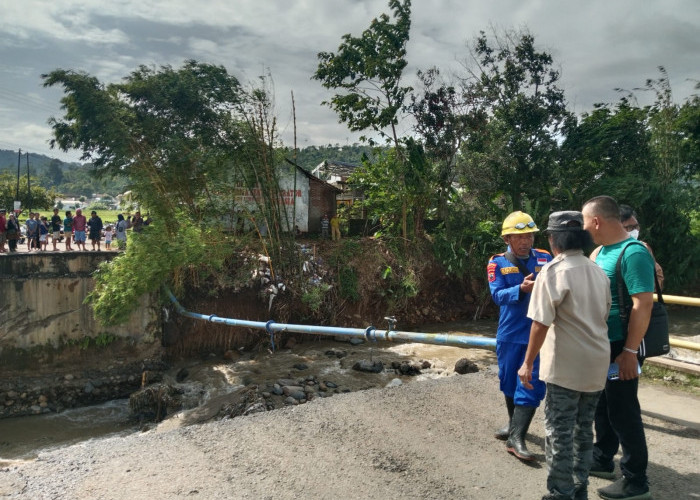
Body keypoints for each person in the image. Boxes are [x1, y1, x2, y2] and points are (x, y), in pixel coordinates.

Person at [518, 211, 611, 500]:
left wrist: (527, 363)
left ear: (552, 239)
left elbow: (540, 323)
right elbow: (604, 313)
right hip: (596, 363)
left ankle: (560, 492)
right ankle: (578, 488)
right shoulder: (597, 270)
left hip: (565, 367)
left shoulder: (553, 272)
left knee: (559, 432)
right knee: (584, 432)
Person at [582, 196, 654, 500]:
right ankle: (602, 458)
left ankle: (636, 480)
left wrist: (629, 351)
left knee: (624, 410)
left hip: (620, 346)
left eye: (585, 221)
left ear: (597, 221)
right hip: (600, 345)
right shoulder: (599, 252)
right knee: (602, 404)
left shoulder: (633, 252)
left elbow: (643, 304)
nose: (584, 227)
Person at [487, 211, 552, 461]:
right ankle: (514, 425)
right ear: (507, 239)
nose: (525, 241)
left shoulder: (546, 258)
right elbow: (497, 296)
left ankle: (517, 437)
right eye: (519, 237)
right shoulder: (498, 263)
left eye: (529, 236)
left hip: (539, 332)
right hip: (510, 332)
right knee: (508, 380)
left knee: (530, 382)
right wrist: (520, 289)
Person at [619, 205, 664, 290]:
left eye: (636, 226)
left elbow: (657, 276)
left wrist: (644, 294)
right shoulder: (600, 252)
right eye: (629, 227)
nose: (635, 230)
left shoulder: (643, 247)